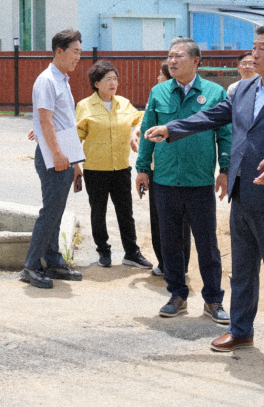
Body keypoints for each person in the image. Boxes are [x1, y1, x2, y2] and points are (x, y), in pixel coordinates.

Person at [144, 23, 264, 368]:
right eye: (253, 47)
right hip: (243, 195)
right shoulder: (243, 89)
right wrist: (171, 128)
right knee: (242, 270)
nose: (254, 54)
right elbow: (211, 116)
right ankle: (241, 330)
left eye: (262, 48)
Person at [135, 37, 231, 324]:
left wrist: (224, 169)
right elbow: (146, 131)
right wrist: (142, 168)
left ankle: (213, 300)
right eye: (169, 56)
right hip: (165, 180)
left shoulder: (215, 93)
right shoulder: (159, 92)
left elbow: (225, 134)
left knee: (207, 244)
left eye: (178, 56)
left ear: (196, 61)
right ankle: (177, 295)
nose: (172, 61)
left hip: (200, 182)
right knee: (170, 242)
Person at [20, 29, 84, 289]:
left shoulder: (62, 80)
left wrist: (76, 162)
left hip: (65, 155)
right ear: (60, 51)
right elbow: (45, 120)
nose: (78, 57)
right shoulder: (47, 80)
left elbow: (62, 122)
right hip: (53, 156)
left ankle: (54, 259)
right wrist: (57, 154)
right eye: (75, 51)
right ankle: (31, 266)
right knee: (50, 212)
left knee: (56, 211)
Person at [75, 60, 152, 269]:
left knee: (125, 211)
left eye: (115, 79)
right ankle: (103, 250)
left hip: (120, 168)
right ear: (96, 83)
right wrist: (75, 166)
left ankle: (131, 252)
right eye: (108, 79)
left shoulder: (124, 103)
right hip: (95, 170)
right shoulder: (84, 106)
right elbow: (77, 136)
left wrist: (134, 131)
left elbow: (143, 117)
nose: (113, 83)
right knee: (98, 211)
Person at [143, 61, 192, 277]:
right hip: (158, 170)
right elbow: (144, 125)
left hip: (185, 173)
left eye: (161, 77)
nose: (158, 80)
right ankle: (165, 263)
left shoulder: (187, 98)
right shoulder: (156, 96)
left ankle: (181, 267)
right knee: (159, 221)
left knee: (181, 224)